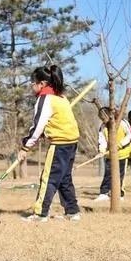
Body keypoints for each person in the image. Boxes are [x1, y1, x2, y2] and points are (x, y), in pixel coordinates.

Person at [18, 65, 81, 222]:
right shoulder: (61, 98)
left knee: (49, 178)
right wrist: (44, 133)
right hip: (71, 142)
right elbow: (53, 122)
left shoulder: (45, 98)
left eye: (33, 82)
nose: (32, 86)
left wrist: (26, 146)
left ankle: (40, 213)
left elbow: (38, 125)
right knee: (64, 178)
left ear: (42, 84)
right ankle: (72, 211)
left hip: (60, 144)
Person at [95, 107, 131, 201]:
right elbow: (102, 139)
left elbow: (129, 136)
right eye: (101, 118)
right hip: (109, 155)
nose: (103, 120)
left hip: (122, 154)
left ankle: (119, 194)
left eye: (104, 118)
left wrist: (120, 145)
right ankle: (104, 193)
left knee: (120, 175)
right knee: (108, 173)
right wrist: (102, 151)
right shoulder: (103, 127)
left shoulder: (122, 122)